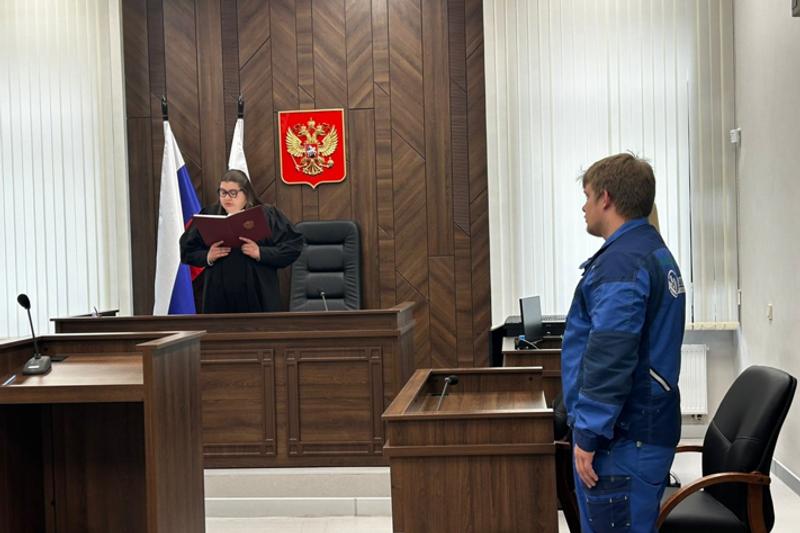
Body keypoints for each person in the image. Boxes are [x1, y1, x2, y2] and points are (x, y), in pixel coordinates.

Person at [561, 153, 686, 532]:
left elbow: (611, 355)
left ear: (606, 198)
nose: (583, 207)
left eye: (587, 196)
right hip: (640, 433)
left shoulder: (623, 263)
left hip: (622, 441)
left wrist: (588, 434)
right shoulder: (649, 250)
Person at [180, 169, 304, 313]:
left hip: (259, 297)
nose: (227, 198)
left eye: (233, 193)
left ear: (246, 193)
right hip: (218, 298)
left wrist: (261, 253)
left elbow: (293, 245)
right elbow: (186, 250)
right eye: (223, 192)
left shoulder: (267, 215)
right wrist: (207, 256)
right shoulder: (208, 215)